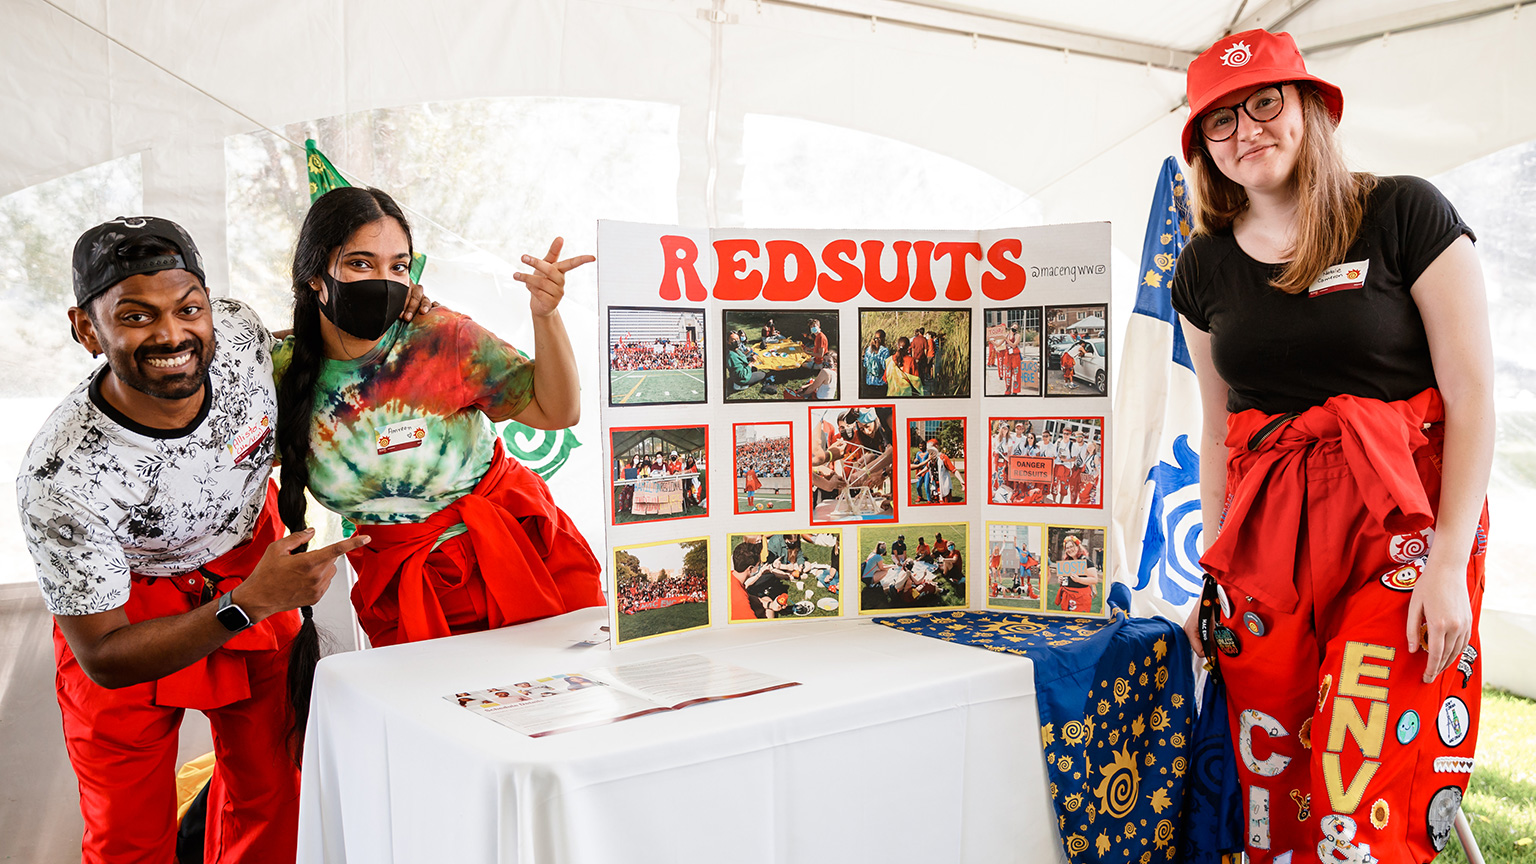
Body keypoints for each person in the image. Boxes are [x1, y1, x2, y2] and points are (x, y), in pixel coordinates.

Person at [1170, 30, 1492, 864]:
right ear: (1204, 151)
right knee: (1267, 751)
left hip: (1398, 519)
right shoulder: (1200, 268)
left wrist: (1449, 560)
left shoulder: (1403, 212)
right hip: (1265, 533)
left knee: (1364, 765)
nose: (1248, 130)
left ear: (1310, 108)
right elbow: (1218, 429)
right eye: (1221, 121)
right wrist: (1216, 567)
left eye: (1265, 103)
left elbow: (1472, 395)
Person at [16, 217, 379, 862]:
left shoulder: (240, 337)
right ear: (86, 329)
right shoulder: (60, 474)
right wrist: (251, 602)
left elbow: (340, 345)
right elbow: (102, 655)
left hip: (249, 562)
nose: (171, 334)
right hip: (130, 611)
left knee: (280, 799)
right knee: (126, 836)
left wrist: (405, 306)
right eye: (135, 316)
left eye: (189, 309)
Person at [274, 186, 605, 647]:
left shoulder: (440, 336)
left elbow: (559, 410)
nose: (383, 279)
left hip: (521, 555)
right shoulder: (279, 374)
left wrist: (545, 314)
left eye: (399, 266)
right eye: (360, 263)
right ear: (314, 275)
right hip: (404, 590)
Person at [1053, 534, 1098, 612]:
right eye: (1067, 548)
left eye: (1072, 546)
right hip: (1067, 596)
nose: (1070, 549)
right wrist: (1060, 580)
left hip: (1081, 597)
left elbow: (1094, 580)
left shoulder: (1086, 561)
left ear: (1078, 547)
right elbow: (1065, 579)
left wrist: (1079, 579)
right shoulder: (1067, 562)